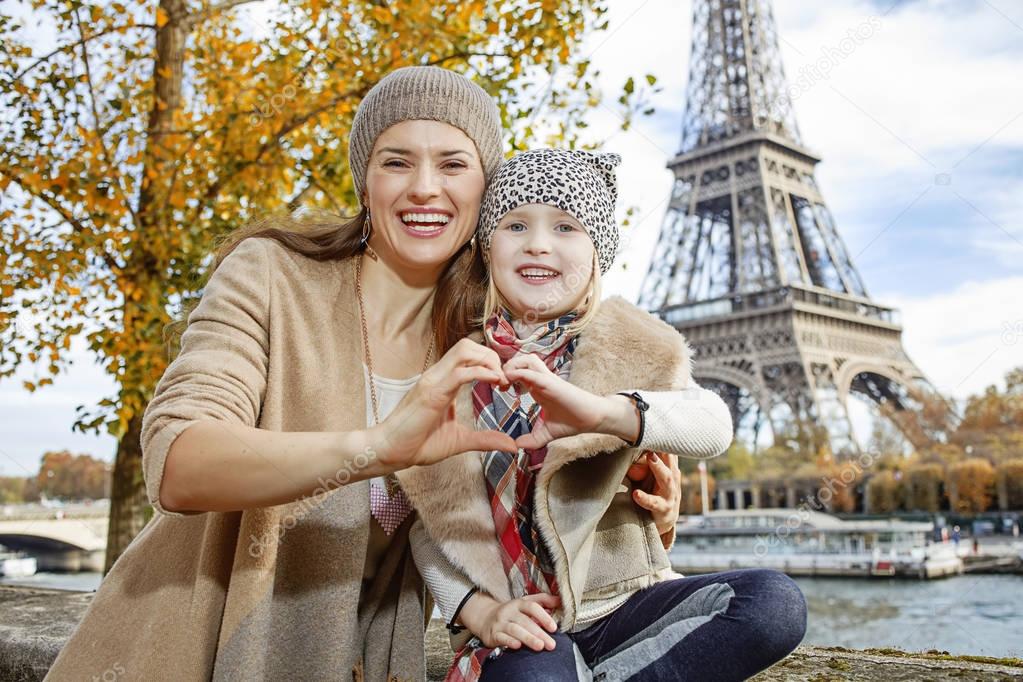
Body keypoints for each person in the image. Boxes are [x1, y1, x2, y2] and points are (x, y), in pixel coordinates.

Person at [44, 66, 679, 682]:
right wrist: (379, 448)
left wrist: (641, 505)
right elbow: (179, 463)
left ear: (485, 194)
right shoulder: (271, 277)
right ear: (364, 180)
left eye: (454, 165)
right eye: (396, 161)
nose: (425, 188)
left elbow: (527, 521)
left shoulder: (499, 341)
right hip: (189, 646)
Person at [397, 149, 807, 681]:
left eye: (566, 226)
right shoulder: (455, 371)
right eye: (516, 224)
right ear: (486, 248)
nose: (539, 242)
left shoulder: (633, 347)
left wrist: (605, 413)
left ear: (597, 255)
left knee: (773, 602)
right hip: (527, 624)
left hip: (624, 604)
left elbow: (711, 423)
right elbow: (426, 527)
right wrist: (481, 613)